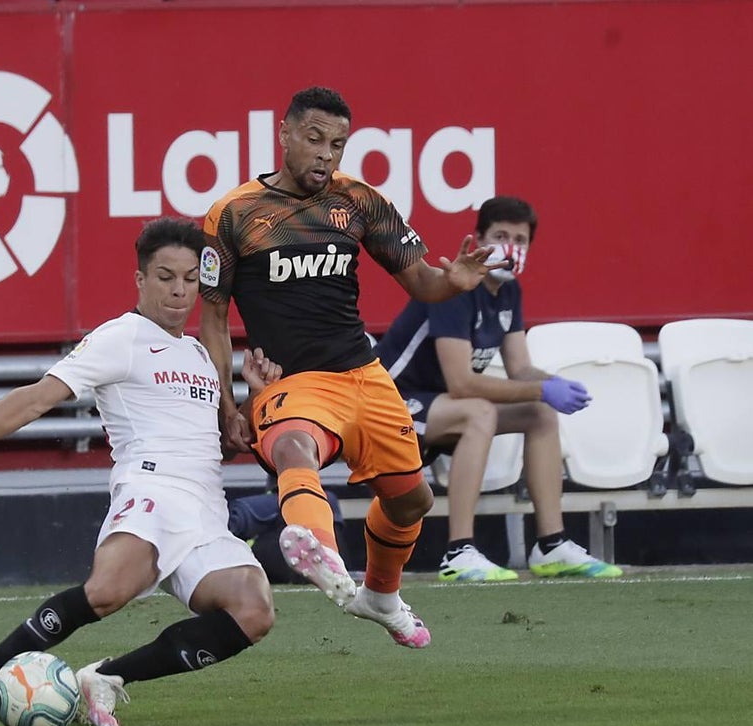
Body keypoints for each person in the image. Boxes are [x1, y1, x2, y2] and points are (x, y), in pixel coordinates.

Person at [0, 217, 278, 726]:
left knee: (254, 611)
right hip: (151, 490)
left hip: (206, 512)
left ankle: (107, 677)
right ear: (140, 279)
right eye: (166, 277)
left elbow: (225, 447)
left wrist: (256, 396)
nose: (179, 290)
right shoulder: (120, 338)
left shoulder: (197, 354)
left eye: (190, 279)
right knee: (106, 592)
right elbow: (37, 398)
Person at [199, 86, 498, 649]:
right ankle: (323, 553)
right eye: (314, 139)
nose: (325, 154)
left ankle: (381, 596)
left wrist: (453, 281)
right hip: (292, 383)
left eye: (336, 144)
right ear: (284, 134)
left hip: (364, 375)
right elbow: (213, 320)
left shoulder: (358, 201)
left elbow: (422, 280)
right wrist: (227, 405)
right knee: (294, 449)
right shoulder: (233, 214)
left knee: (412, 500)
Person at [375, 195, 622, 580]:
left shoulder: (508, 291)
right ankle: (458, 552)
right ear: (479, 240)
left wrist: (553, 384)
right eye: (501, 237)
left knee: (540, 415)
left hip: (436, 407)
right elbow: (462, 383)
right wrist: (541, 390)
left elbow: (519, 368)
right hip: (386, 402)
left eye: (520, 240)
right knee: (480, 411)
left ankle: (552, 545)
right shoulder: (454, 287)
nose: (510, 247)